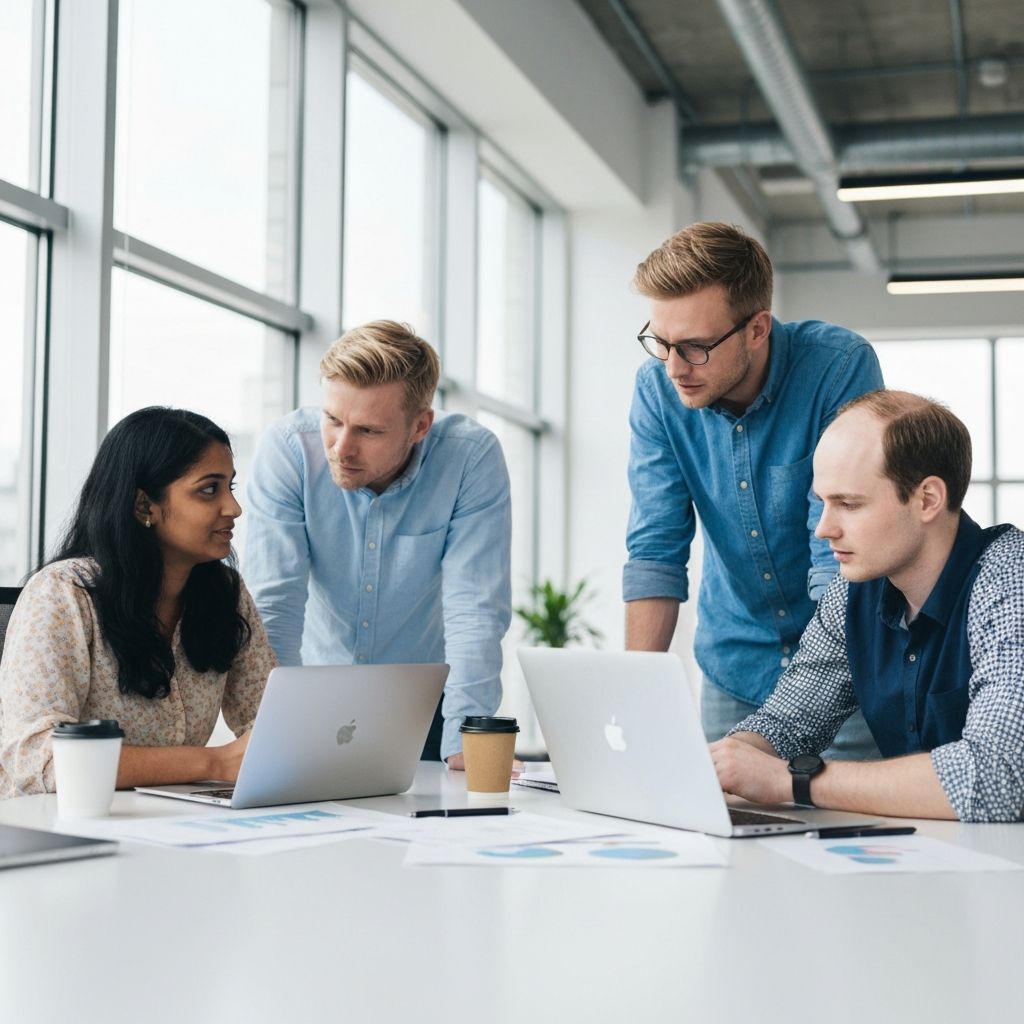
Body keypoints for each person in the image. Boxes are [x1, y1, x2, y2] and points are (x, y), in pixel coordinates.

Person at [623, 221, 884, 757]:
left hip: (842, 669)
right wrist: (636, 702)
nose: (674, 368)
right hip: (734, 668)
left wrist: (798, 704)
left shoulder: (838, 367)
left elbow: (834, 552)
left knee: (847, 831)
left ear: (758, 328)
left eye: (695, 348)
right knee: (728, 834)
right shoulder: (656, 392)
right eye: (661, 343)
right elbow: (655, 550)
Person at [711, 391, 1024, 822]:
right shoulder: (850, 593)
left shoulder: (1011, 581)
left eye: (848, 504)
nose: (823, 529)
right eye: (823, 502)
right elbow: (786, 724)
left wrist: (793, 781)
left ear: (927, 499)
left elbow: (994, 778)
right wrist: (721, 764)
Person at [244, 320, 512, 769]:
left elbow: (476, 608)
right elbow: (275, 606)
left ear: (420, 425)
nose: (341, 448)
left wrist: (468, 734)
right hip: (312, 700)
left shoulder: (470, 457)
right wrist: (270, 729)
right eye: (332, 420)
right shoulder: (290, 450)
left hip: (424, 709)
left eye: (368, 431)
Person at [0, 407, 277, 799]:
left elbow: (269, 726)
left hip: (169, 827)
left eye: (230, 487)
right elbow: (39, 758)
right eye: (208, 489)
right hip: (57, 832)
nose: (233, 509)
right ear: (144, 506)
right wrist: (213, 762)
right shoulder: (64, 594)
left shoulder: (226, 593)